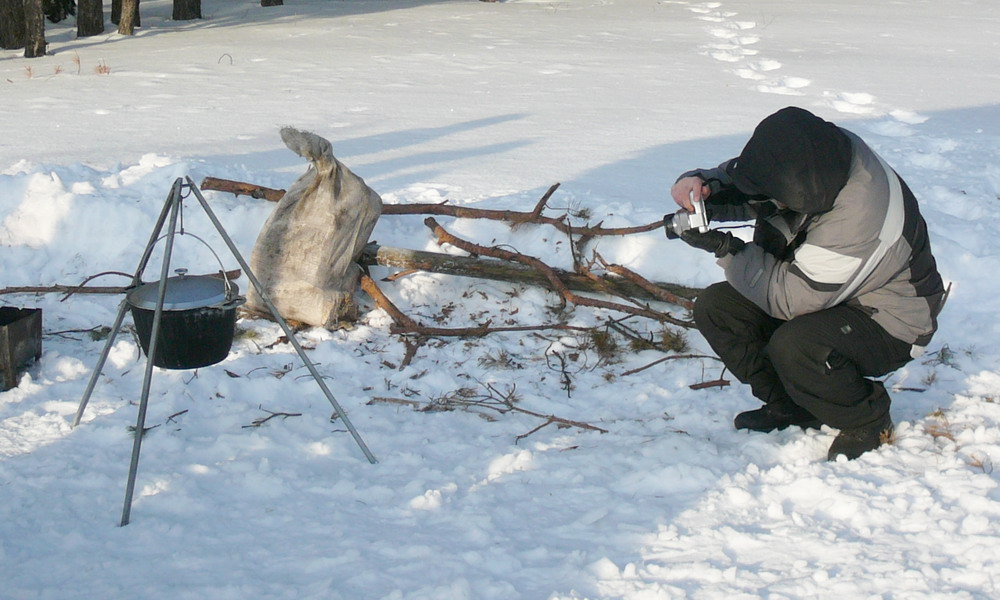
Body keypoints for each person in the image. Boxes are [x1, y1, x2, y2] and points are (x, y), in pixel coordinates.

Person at [668, 106, 946, 461]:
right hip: (827, 290)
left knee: (798, 344)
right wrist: (702, 187)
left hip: (889, 318)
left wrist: (727, 249)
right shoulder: (817, 152)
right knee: (718, 308)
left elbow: (789, 299)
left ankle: (866, 418)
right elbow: (755, 183)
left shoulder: (859, 215)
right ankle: (793, 406)